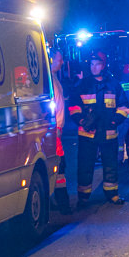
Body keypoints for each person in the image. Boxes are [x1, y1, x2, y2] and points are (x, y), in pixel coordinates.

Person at [69, 50, 129, 206]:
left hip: (109, 133)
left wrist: (115, 121)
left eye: (97, 64)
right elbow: (73, 107)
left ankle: (112, 194)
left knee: (111, 165)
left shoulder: (114, 84)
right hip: (87, 134)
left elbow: (123, 106)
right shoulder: (83, 85)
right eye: (91, 64)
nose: (93, 67)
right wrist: (82, 120)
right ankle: (83, 197)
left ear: (104, 65)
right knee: (85, 166)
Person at [50, 49, 71, 214]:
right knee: (59, 165)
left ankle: (59, 202)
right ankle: (63, 203)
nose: (62, 62)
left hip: (57, 128)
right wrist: (56, 128)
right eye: (59, 59)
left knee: (59, 165)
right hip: (53, 130)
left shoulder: (53, 77)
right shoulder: (49, 79)